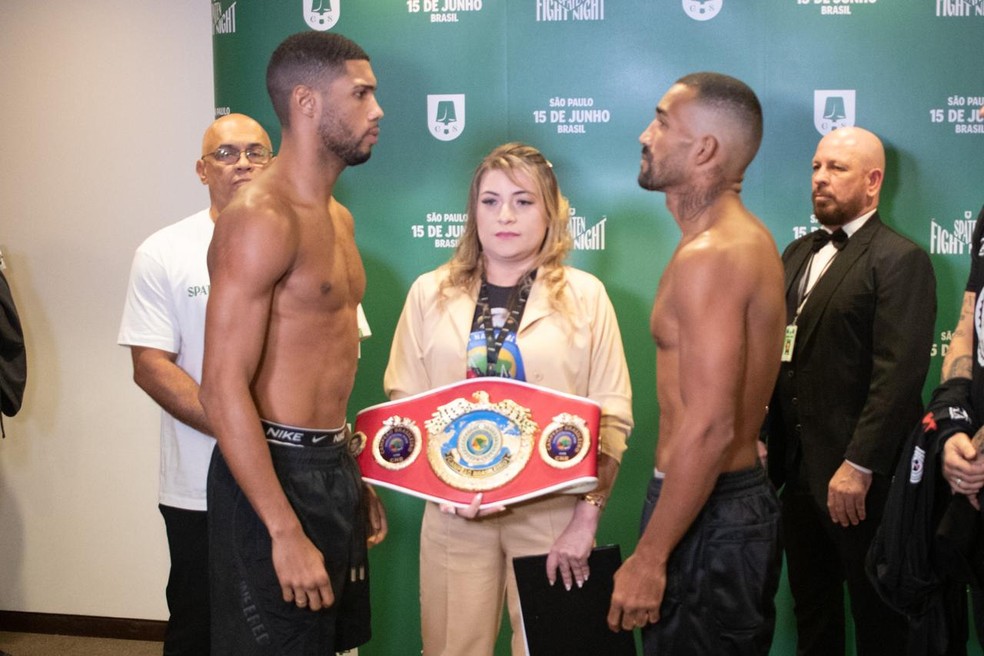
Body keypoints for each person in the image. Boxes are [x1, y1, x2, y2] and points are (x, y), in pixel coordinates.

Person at [383, 142, 633, 656]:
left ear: (551, 213)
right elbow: (405, 403)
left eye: (523, 202)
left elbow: (610, 416)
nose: (505, 216)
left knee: (554, 647)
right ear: (472, 212)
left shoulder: (586, 297)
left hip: (554, 511)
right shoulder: (428, 294)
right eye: (490, 201)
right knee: (452, 648)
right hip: (454, 513)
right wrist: (445, 487)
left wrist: (587, 517)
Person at [198, 31, 386, 656]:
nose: (377, 111)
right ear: (306, 103)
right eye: (360, 95)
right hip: (272, 477)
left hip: (328, 467)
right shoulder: (260, 218)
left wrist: (350, 473)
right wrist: (282, 528)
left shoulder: (337, 217)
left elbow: (324, 363)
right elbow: (222, 386)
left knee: (330, 646)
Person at [607, 72, 785, 655]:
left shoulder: (715, 253)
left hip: (707, 514)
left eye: (661, 121)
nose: (645, 133)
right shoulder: (729, 241)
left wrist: (651, 558)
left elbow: (709, 425)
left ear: (704, 148)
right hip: (712, 506)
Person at [764, 126, 936, 655]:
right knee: (813, 613)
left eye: (837, 169)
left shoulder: (899, 259)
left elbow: (899, 373)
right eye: (816, 167)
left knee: (877, 618)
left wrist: (859, 464)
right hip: (796, 478)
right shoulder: (795, 252)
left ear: (873, 181)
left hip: (864, 487)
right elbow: (777, 353)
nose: (820, 179)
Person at [118, 112, 272, 655]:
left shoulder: (316, 238)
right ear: (202, 170)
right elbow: (150, 364)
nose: (243, 163)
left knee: (288, 626)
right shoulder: (163, 251)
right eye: (226, 154)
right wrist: (242, 432)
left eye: (256, 151)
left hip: (295, 475)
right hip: (200, 484)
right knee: (199, 626)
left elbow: (337, 355)